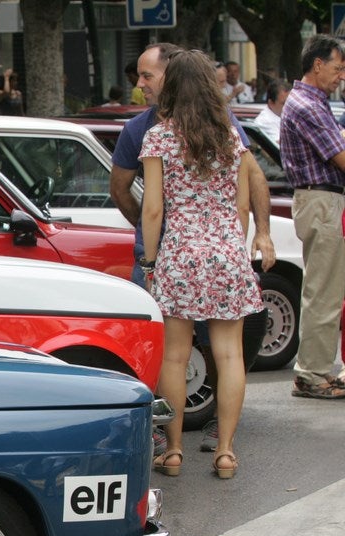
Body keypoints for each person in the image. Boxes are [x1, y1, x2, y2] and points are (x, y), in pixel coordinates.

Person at [109, 42, 276, 456]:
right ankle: (226, 451)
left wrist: (149, 258)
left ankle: (175, 448)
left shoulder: (158, 138)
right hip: (226, 252)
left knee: (175, 357)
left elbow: (152, 209)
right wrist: (236, 245)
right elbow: (240, 206)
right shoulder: (229, 138)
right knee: (229, 355)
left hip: (179, 252)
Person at [279, 33, 345, 399]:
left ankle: (316, 370)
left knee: (326, 289)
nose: (341, 76)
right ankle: (312, 374)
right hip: (322, 201)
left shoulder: (311, 102)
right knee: (323, 292)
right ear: (317, 65)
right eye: (338, 68)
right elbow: (341, 157)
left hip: (321, 201)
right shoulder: (307, 105)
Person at [253, 79, 289, 146]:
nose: (289, 107)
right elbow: (280, 145)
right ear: (271, 103)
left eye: (290, 103)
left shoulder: (285, 116)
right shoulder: (264, 121)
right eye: (284, 103)